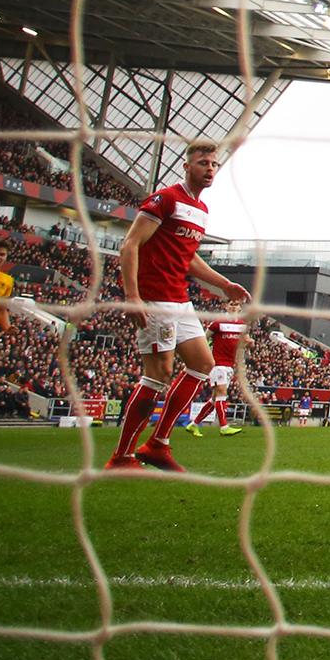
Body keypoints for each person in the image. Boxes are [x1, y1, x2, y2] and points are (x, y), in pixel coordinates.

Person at [105, 143, 252, 472]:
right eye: (203, 163)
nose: (210, 169)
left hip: (179, 297)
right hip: (155, 296)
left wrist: (223, 283)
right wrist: (132, 296)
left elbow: (189, 258)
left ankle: (158, 444)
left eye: (214, 164)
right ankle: (123, 456)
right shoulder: (166, 198)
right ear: (186, 167)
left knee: (203, 364)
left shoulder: (200, 209)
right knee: (157, 374)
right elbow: (130, 243)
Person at [188, 305, 247, 437]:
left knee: (215, 400)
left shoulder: (242, 325)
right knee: (221, 393)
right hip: (217, 364)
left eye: (236, 304)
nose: (233, 307)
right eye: (231, 304)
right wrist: (205, 356)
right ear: (226, 306)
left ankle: (194, 424)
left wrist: (240, 364)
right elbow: (203, 339)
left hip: (230, 366)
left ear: (240, 308)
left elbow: (241, 347)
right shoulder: (217, 323)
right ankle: (224, 426)